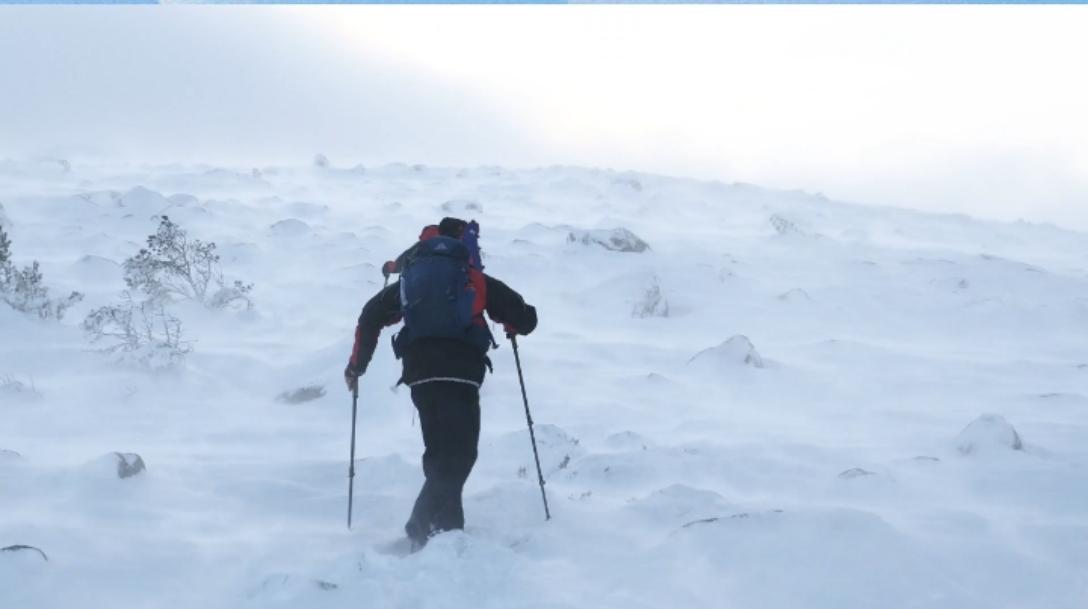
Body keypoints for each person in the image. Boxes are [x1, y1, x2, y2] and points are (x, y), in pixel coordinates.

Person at [345, 217, 537, 549]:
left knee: (440, 453)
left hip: (420, 372)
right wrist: (514, 324)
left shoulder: (412, 279)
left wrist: (356, 367)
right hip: (461, 372)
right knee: (461, 455)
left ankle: (447, 533)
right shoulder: (473, 277)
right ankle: (421, 525)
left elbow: (370, 315)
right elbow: (525, 318)